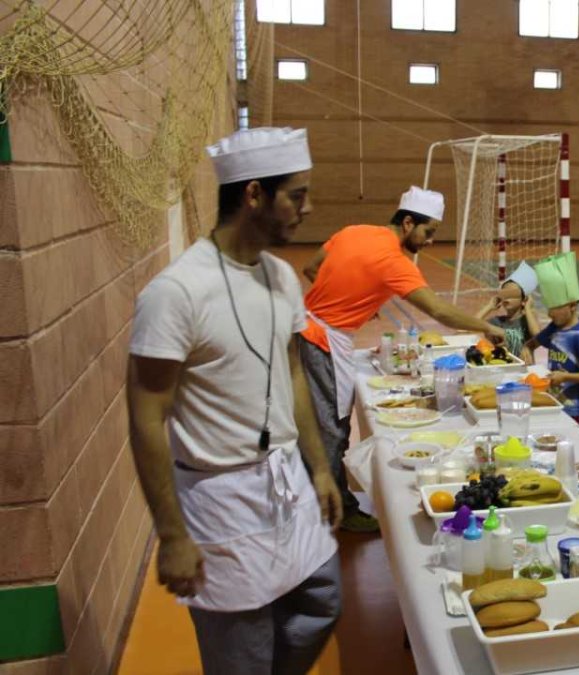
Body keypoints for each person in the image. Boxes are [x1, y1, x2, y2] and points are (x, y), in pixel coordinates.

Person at [127, 128, 342, 674]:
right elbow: (147, 415)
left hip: (286, 480)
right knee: (242, 654)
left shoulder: (279, 277)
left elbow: (292, 372)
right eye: (296, 195)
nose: (307, 208)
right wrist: (172, 534)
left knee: (321, 603)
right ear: (253, 195)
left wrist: (318, 467)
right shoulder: (176, 293)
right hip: (219, 498)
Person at [299, 186, 505, 532]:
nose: (430, 241)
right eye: (428, 232)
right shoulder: (395, 262)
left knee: (319, 423)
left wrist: (353, 295)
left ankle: (322, 504)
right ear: (408, 223)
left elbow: (311, 267)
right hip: (323, 342)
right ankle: (334, 511)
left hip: (305, 329)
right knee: (331, 429)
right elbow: (439, 311)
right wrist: (485, 327)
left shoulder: (355, 231)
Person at [533, 252, 579, 428]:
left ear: (573, 305)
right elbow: (532, 343)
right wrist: (527, 350)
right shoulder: (554, 328)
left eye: (555, 308)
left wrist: (565, 376)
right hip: (554, 403)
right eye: (549, 308)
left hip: (574, 410)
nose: (549, 314)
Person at [475, 261, 539, 363]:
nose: (507, 299)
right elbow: (471, 325)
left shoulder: (527, 321)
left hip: (525, 369)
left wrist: (528, 308)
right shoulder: (496, 322)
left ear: (524, 300)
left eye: (512, 295)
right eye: (505, 295)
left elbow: (538, 336)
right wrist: (489, 307)